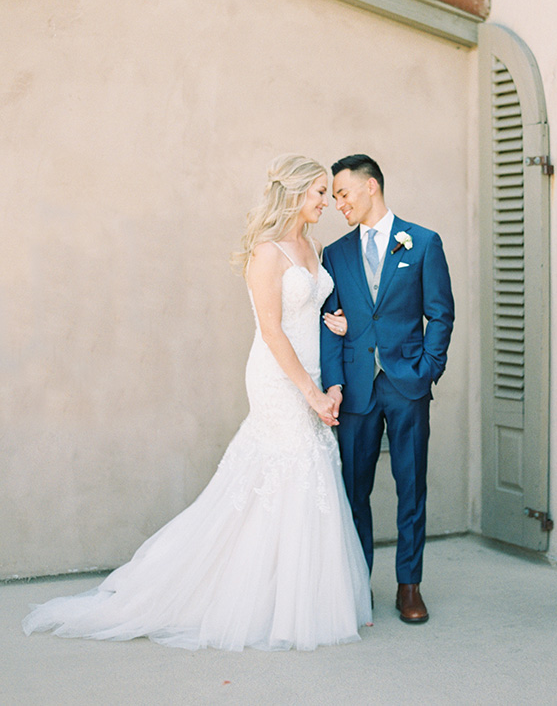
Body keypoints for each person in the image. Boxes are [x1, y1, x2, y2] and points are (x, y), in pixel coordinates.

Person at [23, 155, 372, 652]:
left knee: (311, 473)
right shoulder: (266, 253)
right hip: (278, 378)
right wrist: (311, 392)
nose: (326, 202)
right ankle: (237, 597)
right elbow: (272, 330)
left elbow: (314, 312)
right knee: (284, 469)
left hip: (314, 373)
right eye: (319, 192)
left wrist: (331, 335)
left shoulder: (313, 248)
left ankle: (297, 599)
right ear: (295, 193)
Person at [321, 154, 454, 624]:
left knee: (410, 487)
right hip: (356, 389)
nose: (338, 203)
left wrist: (427, 370)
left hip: (406, 384)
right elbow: (329, 323)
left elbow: (441, 312)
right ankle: (359, 585)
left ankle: (409, 586)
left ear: (370, 186)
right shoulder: (333, 254)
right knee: (354, 490)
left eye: (343, 193)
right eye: (335, 196)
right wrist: (334, 383)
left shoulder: (422, 242)